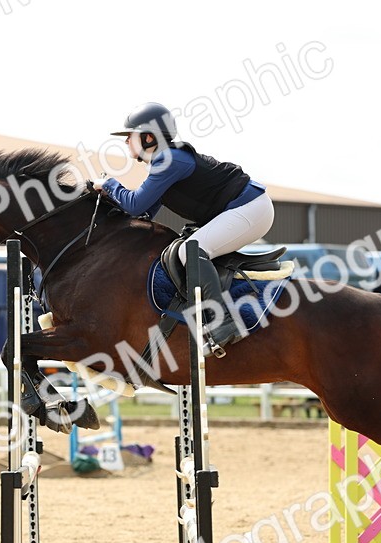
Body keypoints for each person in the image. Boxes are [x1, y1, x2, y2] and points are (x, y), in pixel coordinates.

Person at [94, 102, 275, 355]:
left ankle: (223, 324)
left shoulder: (169, 160)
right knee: (183, 249)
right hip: (243, 208)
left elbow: (135, 205)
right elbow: (145, 212)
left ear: (148, 137)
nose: (125, 143)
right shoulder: (163, 162)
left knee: (190, 251)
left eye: (129, 136)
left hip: (251, 208)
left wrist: (110, 184)